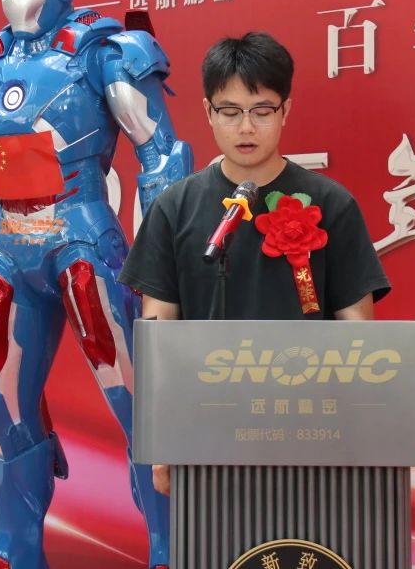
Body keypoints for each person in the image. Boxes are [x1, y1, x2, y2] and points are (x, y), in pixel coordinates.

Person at [0, 0, 192, 569]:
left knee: (139, 404)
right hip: (5, 248)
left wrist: (166, 252)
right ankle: (16, 549)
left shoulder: (105, 53)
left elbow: (160, 153)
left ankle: (168, 548)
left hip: (83, 240)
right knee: (3, 409)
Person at [119, 31, 390, 494]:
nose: (246, 127)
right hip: (205, 429)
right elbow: (159, 333)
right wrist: (161, 438)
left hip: (310, 428)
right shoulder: (174, 208)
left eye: (262, 111)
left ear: (286, 110)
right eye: (230, 112)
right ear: (208, 112)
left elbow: (358, 334)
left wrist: (357, 434)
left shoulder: (332, 203)